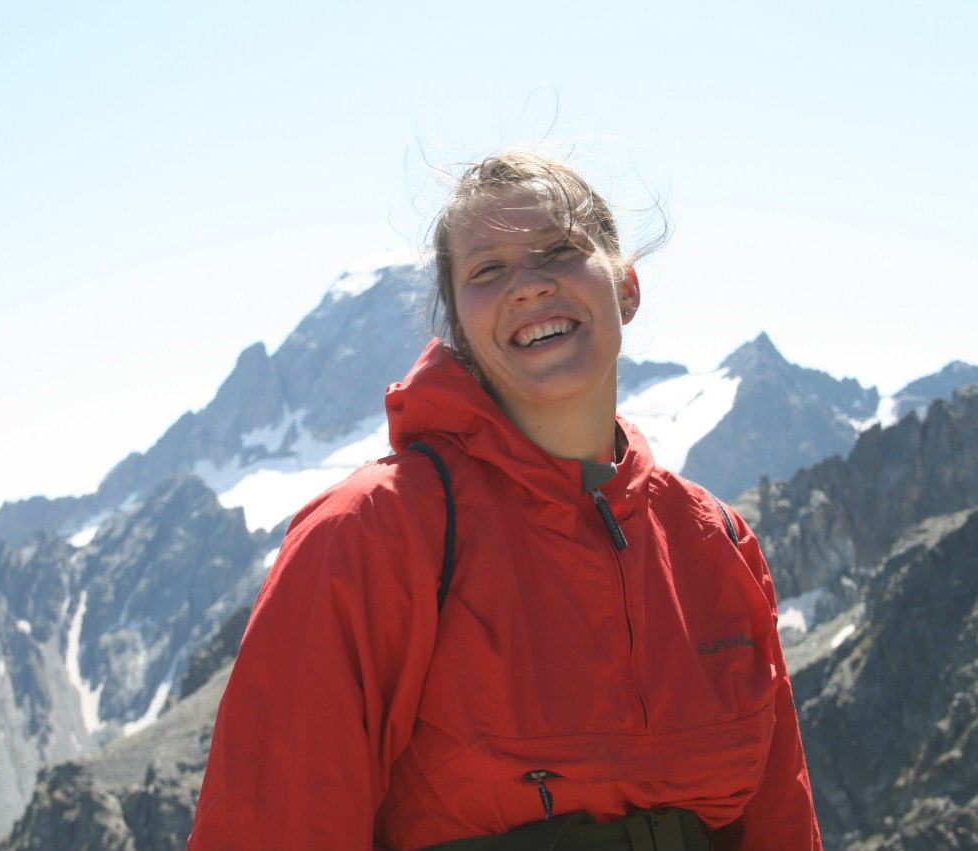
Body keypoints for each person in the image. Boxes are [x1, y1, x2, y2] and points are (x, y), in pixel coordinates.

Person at [187, 151, 822, 850]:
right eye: (488, 269)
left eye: (559, 250)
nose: (528, 283)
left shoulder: (717, 542)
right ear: (460, 331)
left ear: (627, 288)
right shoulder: (371, 531)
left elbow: (782, 824)